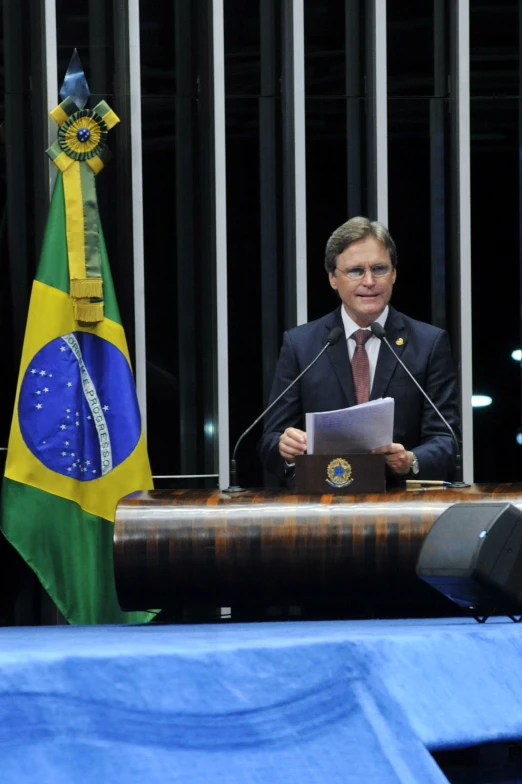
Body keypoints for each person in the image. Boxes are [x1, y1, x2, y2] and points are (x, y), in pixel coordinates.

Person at [258, 216, 460, 482]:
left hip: (399, 506)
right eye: (355, 271)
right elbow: (269, 441)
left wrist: (411, 461)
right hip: (321, 505)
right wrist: (284, 448)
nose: (369, 281)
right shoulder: (301, 345)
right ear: (333, 278)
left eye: (379, 269)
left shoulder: (429, 343)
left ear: (394, 274)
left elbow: (447, 439)